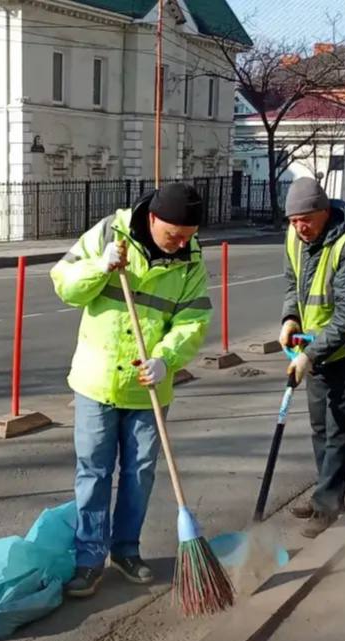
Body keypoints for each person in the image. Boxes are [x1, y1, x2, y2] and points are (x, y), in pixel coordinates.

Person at [50, 183, 211, 598]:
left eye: (188, 235)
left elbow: (193, 322)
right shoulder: (108, 234)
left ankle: (126, 550)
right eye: (174, 234)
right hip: (97, 380)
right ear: (153, 219)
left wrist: (166, 359)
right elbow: (65, 285)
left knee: (139, 474)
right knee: (94, 471)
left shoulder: (192, 262)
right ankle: (89, 559)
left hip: (148, 387)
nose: (181, 243)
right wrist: (99, 267)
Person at [277, 177, 345, 538]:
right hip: (315, 350)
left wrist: (311, 354)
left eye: (305, 219)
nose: (299, 227)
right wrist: (290, 317)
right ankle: (325, 491)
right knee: (320, 426)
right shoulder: (295, 237)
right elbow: (294, 285)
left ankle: (329, 505)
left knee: (339, 429)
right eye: (292, 220)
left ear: (324, 212)